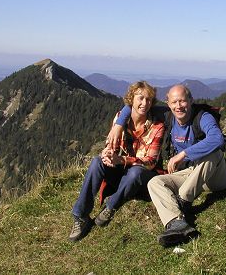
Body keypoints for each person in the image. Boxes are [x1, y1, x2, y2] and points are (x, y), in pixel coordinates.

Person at [108, 84, 226, 247]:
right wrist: (118, 125)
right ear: (168, 104)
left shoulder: (202, 117)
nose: (178, 106)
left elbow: (217, 139)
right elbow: (131, 106)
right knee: (155, 182)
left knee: (215, 152)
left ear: (191, 101)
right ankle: (177, 224)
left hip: (214, 177)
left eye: (182, 101)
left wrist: (183, 154)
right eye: (174, 102)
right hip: (190, 173)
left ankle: (184, 200)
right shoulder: (167, 115)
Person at [69, 81, 164, 242]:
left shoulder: (157, 126)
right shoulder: (121, 118)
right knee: (97, 162)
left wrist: (122, 159)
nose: (144, 103)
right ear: (131, 100)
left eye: (148, 100)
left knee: (136, 172)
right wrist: (108, 153)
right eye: (140, 98)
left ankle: (110, 207)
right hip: (122, 170)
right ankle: (81, 215)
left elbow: (151, 162)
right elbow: (112, 144)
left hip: (142, 176)